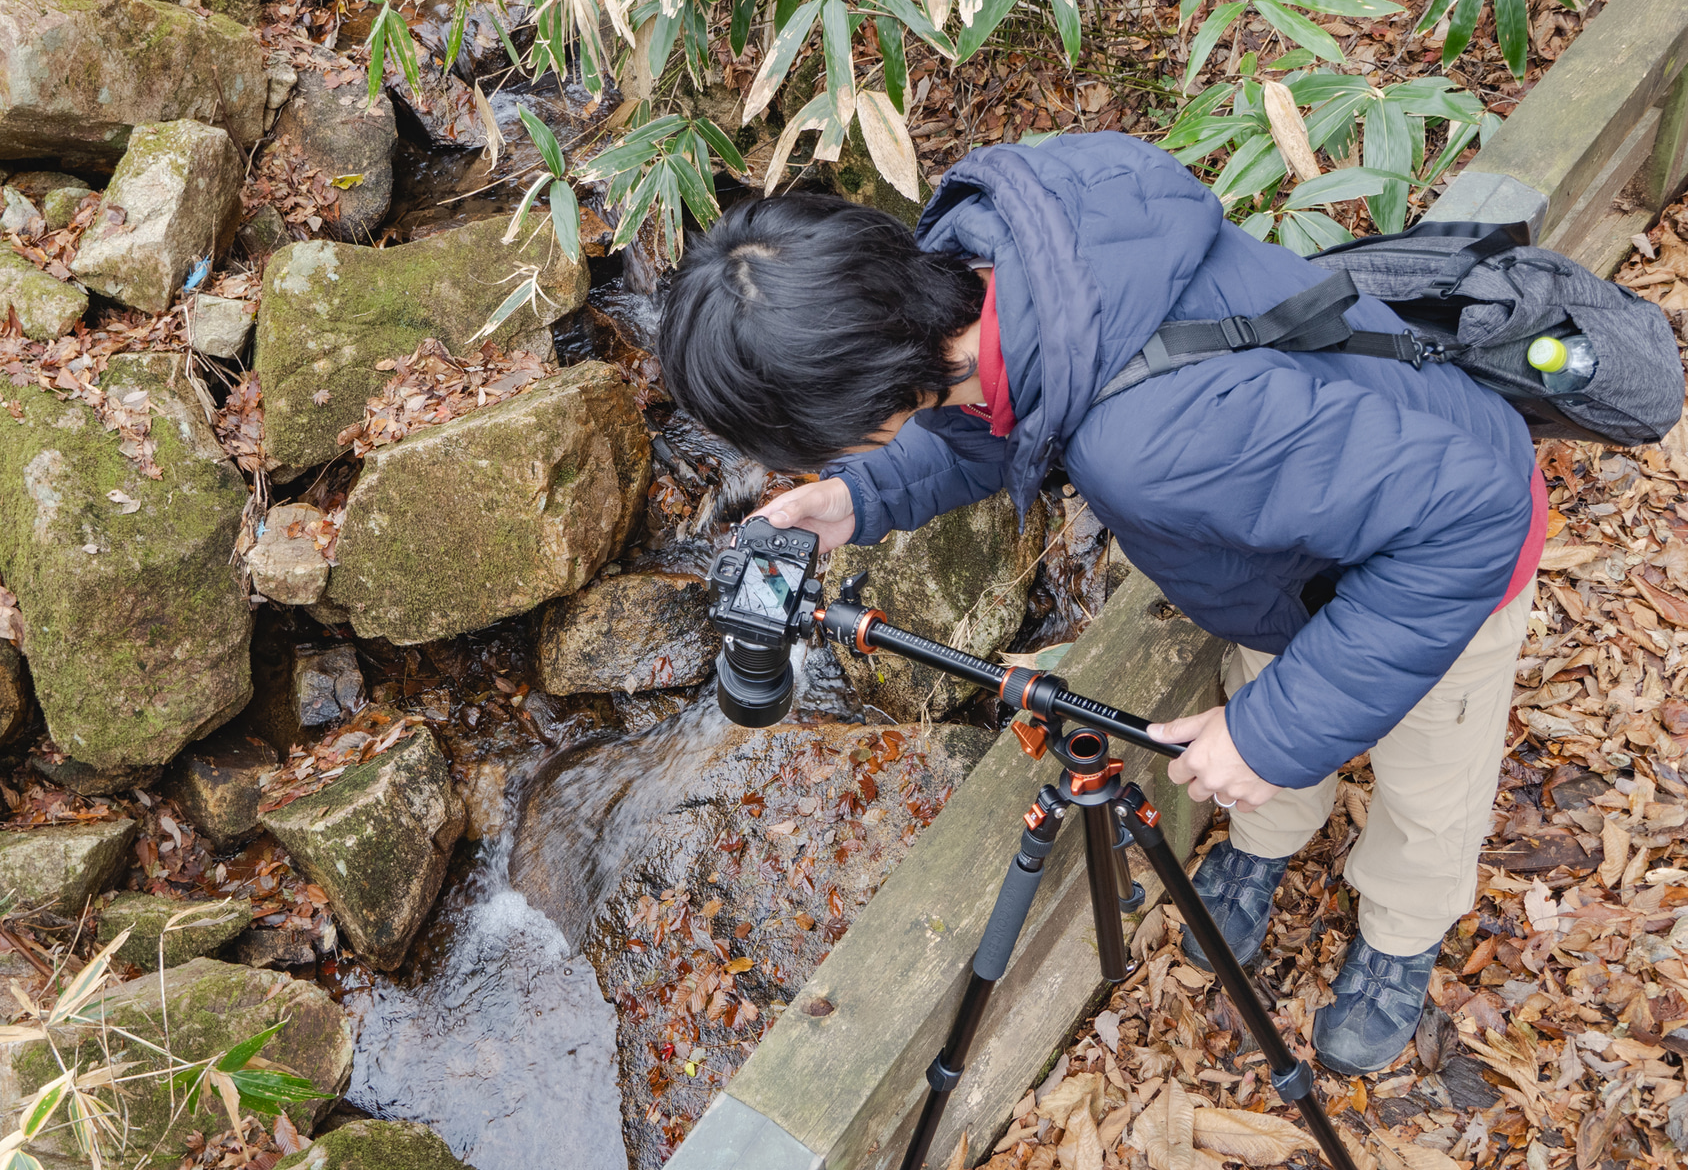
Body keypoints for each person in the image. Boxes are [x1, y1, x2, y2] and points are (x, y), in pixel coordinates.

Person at [657, 132, 1544, 1075]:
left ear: (877, 392)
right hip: (1293, 546)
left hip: (1444, 561)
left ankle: (1402, 935)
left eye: (834, 443)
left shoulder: (1152, 443)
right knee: (1266, 686)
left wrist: (1268, 739)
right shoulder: (996, 240)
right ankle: (1268, 836)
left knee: (1427, 778)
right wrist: (857, 497)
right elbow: (1009, 411)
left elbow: (1471, 517)